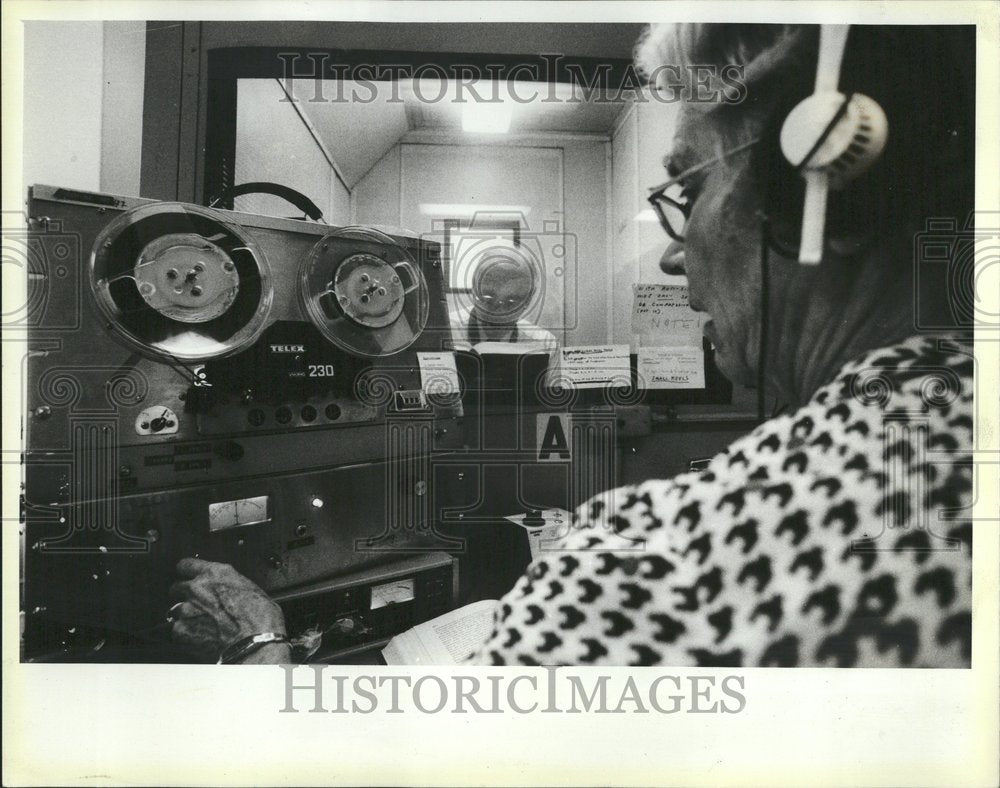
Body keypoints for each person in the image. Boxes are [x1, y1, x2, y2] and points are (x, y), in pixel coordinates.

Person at [169, 23, 974, 667]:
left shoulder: (654, 562)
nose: (669, 251)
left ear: (817, 187)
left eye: (687, 191)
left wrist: (259, 646)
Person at [447, 242, 558, 351]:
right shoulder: (443, 333)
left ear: (528, 301)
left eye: (511, 303)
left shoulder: (545, 345)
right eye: (488, 299)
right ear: (474, 289)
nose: (499, 313)